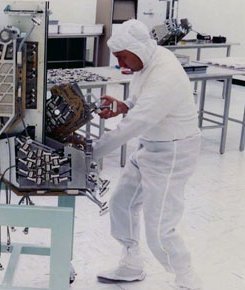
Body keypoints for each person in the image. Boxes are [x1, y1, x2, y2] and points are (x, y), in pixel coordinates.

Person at [93, 19, 202, 290]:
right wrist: (123, 105)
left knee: (160, 227)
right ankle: (131, 264)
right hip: (151, 145)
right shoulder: (149, 60)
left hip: (173, 152)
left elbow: (136, 124)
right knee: (122, 202)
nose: (120, 64)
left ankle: (188, 278)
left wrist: (91, 152)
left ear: (137, 49)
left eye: (122, 57)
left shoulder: (165, 73)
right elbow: (141, 102)